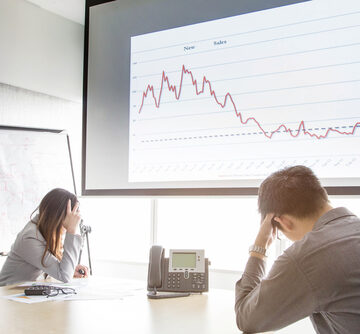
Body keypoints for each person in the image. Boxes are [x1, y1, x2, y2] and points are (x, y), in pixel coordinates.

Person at [235, 165, 360, 334]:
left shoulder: (307, 257)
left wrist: (259, 248)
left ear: (282, 222)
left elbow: (246, 318)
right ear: (322, 195)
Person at [0, 188, 89, 286]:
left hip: (26, 295)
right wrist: (71, 231)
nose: (71, 222)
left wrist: (71, 268)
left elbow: (58, 270)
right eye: (70, 218)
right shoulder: (30, 237)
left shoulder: (46, 231)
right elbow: (64, 276)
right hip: (7, 295)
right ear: (58, 217)